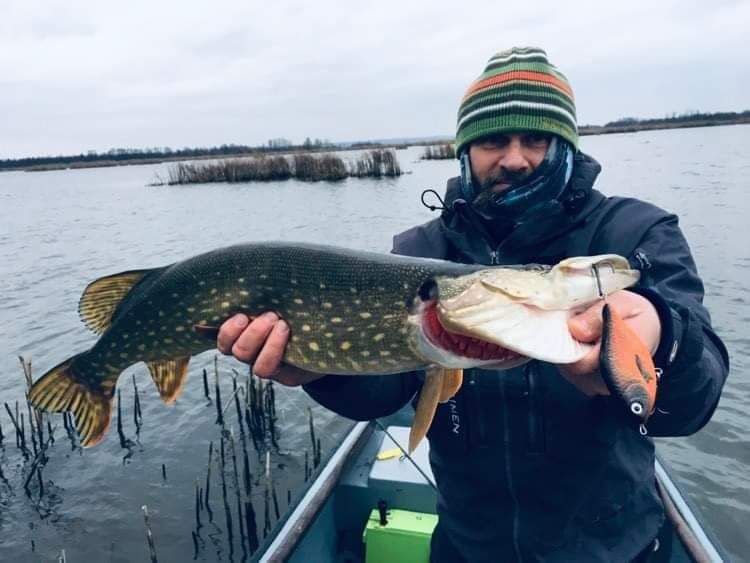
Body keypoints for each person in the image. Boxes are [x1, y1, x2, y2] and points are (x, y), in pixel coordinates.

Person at [216, 47, 729, 562]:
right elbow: (386, 390)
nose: (515, 159)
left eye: (535, 139)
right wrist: (320, 369)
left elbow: (694, 403)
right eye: (493, 140)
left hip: (614, 549)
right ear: (465, 151)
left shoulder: (634, 233)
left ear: (565, 145)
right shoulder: (421, 254)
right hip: (467, 546)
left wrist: (659, 335)